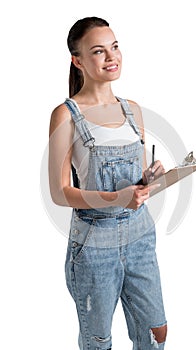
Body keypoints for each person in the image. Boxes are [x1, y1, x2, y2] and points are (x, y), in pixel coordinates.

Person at [49, 16, 167, 350]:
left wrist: (150, 179)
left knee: (155, 332)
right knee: (98, 341)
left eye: (114, 47)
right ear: (78, 61)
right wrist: (116, 197)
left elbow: (137, 184)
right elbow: (59, 193)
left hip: (140, 236)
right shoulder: (66, 115)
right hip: (93, 245)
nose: (111, 57)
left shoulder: (132, 110)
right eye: (99, 51)